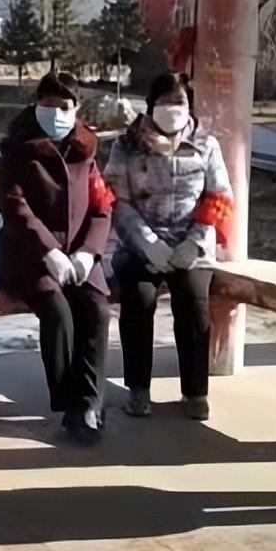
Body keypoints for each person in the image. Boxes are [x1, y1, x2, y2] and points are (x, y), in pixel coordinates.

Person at [105, 72, 233, 422]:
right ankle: (138, 389)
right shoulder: (126, 146)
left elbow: (219, 197)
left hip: (189, 246)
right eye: (165, 101)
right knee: (139, 298)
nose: (172, 109)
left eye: (179, 101)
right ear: (151, 105)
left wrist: (195, 243)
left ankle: (195, 391)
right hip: (140, 246)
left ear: (190, 106)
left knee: (193, 302)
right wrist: (148, 244)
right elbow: (117, 201)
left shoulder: (206, 145)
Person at [0, 71, 114, 444]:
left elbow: (102, 207)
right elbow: (15, 208)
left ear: (76, 108)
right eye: (48, 105)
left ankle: (90, 403)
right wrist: (47, 251)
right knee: (58, 310)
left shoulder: (85, 151)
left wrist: (89, 253)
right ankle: (69, 403)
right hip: (27, 256)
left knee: (96, 309)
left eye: (64, 106)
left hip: (78, 256)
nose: (56, 113)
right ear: (36, 104)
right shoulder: (17, 149)